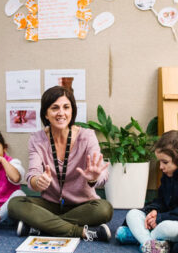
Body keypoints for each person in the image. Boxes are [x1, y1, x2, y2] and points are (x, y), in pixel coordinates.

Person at [7, 86, 113, 241]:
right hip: (50, 204)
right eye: (54, 108)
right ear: (46, 114)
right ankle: (80, 232)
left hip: (82, 205)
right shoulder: (37, 139)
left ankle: (41, 227)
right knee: (15, 204)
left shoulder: (87, 136)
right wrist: (38, 181)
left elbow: (102, 174)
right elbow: (32, 175)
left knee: (105, 210)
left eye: (66, 107)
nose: (61, 113)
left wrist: (93, 178)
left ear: (72, 111)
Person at [115, 125, 178, 253]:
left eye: (165, 162)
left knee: (166, 227)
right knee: (133, 214)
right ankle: (150, 243)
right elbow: (162, 200)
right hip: (166, 218)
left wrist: (162, 218)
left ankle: (141, 237)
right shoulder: (168, 175)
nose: (161, 167)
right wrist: (154, 210)